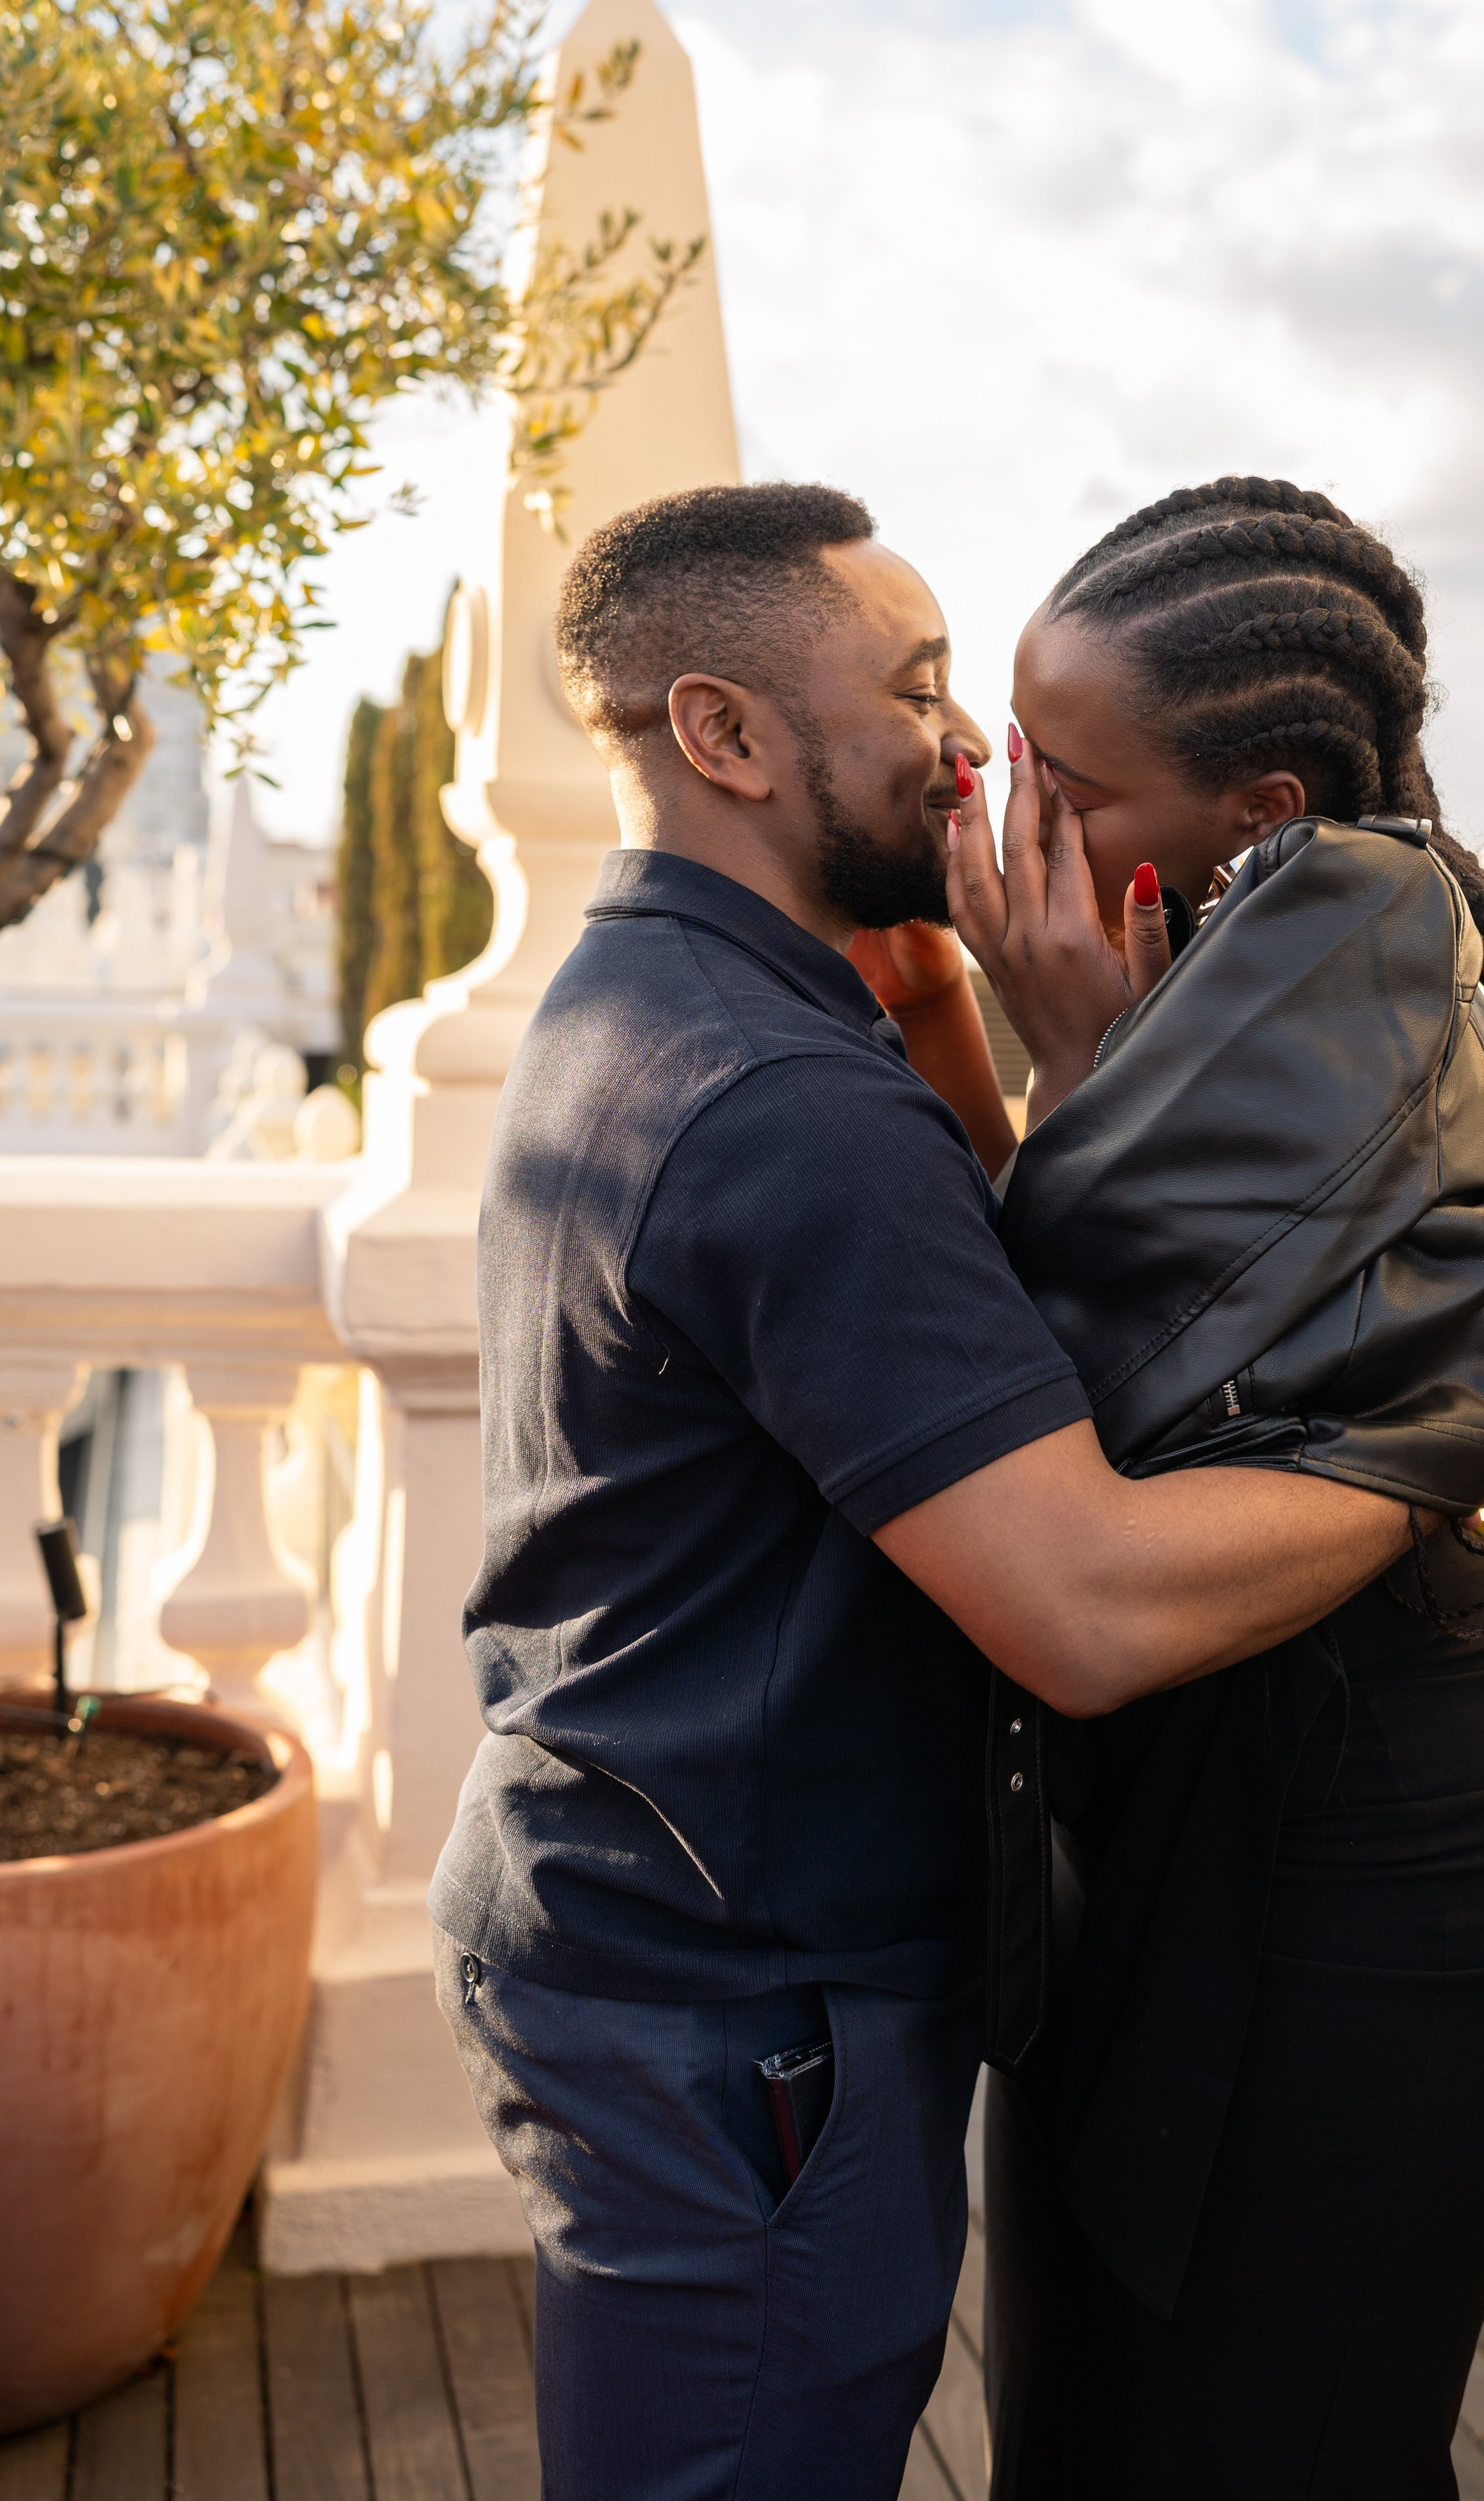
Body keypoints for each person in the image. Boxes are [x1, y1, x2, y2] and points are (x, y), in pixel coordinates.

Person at [427, 480, 1422, 2501]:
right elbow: (1090, 1603)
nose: (973, 747)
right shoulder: (786, 1106)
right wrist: (1422, 1462)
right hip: (749, 2013)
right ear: (725, 735)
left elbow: (931, 1358)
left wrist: (999, 1048)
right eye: (920, 686)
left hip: (635, 1927)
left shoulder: (658, 1003)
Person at [939, 475, 1484, 2500]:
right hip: (1242, 1823)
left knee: (1260, 2452)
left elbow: (1074, 1447)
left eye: (1066, 780)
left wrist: (1073, 1076)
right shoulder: (1255, 994)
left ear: (1255, 813)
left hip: (1402, 1861)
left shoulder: (1320, 1012)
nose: (1015, 825)